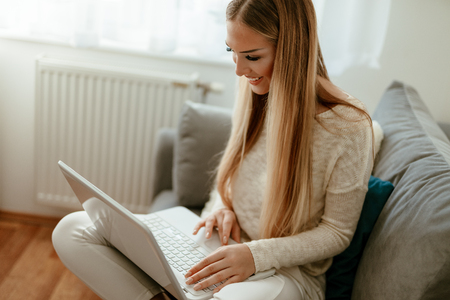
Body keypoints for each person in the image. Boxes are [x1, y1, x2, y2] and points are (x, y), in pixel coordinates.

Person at [52, 0, 374, 299]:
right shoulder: (254, 89)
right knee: (72, 230)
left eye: (252, 56)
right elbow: (233, 176)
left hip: (286, 273)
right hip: (222, 245)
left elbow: (336, 233)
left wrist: (254, 255)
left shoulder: (349, 127)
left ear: (293, 49)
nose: (239, 70)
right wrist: (220, 208)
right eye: (231, 51)